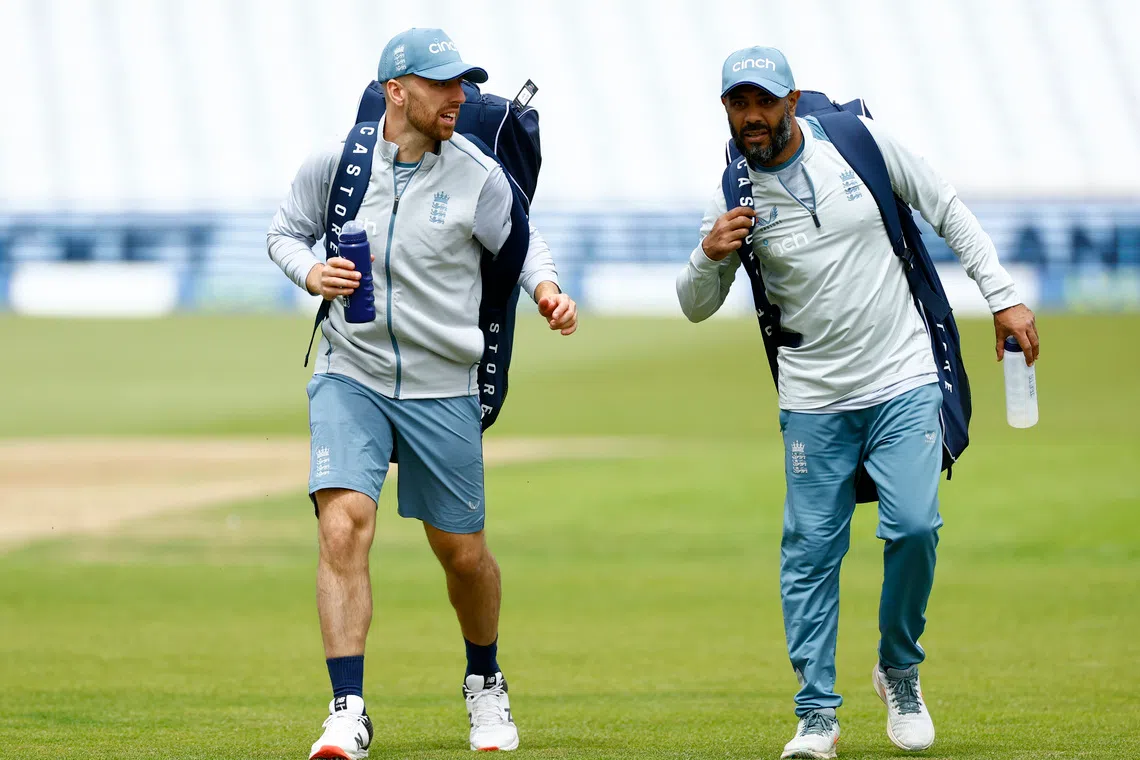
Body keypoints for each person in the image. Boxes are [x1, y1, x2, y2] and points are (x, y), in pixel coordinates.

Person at [677, 46, 1039, 759]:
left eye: (765, 102)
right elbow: (693, 306)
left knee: (913, 527)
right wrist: (709, 255)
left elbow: (945, 206)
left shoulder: (857, 142)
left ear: (793, 99)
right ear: (726, 109)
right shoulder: (734, 188)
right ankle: (817, 716)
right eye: (738, 103)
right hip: (813, 394)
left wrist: (1004, 297)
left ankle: (899, 668)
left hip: (901, 375)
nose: (752, 116)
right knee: (810, 553)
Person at [267, 27, 578, 759]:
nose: (459, 97)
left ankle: (484, 680)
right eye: (443, 84)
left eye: (464, 84)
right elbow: (284, 233)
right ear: (395, 91)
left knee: (462, 555)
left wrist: (548, 290)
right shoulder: (337, 165)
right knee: (342, 525)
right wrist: (310, 274)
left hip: (445, 387)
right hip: (351, 374)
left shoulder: (477, 173)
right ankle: (346, 711)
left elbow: (524, 241)